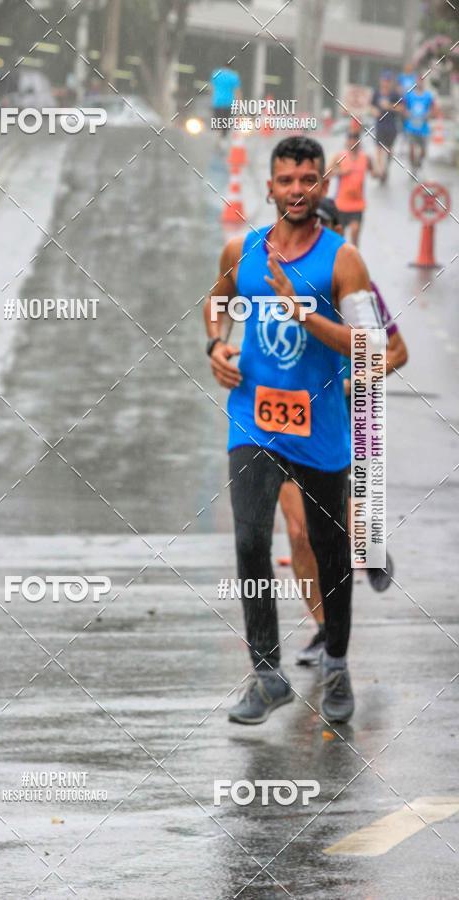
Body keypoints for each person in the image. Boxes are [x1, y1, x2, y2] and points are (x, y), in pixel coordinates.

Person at [204, 136, 382, 725]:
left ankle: (335, 663)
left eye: (308, 180)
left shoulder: (342, 261)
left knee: (330, 552)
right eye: (287, 181)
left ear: (322, 186)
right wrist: (216, 344)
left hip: (319, 428)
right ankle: (266, 674)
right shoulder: (242, 250)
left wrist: (303, 309)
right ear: (270, 187)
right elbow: (217, 300)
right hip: (252, 420)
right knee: (251, 540)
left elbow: (369, 347)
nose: (297, 191)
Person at [278, 198, 409, 666]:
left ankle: (366, 547)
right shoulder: (275, 284)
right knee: (297, 535)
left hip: (337, 424)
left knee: (335, 522)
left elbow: (396, 351)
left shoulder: (360, 288)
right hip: (284, 423)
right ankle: (322, 629)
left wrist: (358, 379)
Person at [328, 129, 374, 247]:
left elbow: (375, 173)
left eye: (355, 140)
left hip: (357, 204)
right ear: (347, 142)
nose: (353, 143)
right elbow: (327, 173)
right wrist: (341, 171)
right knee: (340, 239)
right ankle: (340, 262)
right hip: (341, 205)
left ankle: (354, 261)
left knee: (355, 233)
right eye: (350, 140)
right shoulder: (339, 157)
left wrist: (379, 167)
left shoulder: (365, 158)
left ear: (359, 142)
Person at [370, 71, 403, 183]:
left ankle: (386, 166)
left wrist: (388, 106)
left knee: (389, 150)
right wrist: (373, 111)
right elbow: (371, 106)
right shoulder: (376, 93)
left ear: (391, 82)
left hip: (392, 126)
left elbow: (401, 108)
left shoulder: (394, 94)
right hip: (380, 125)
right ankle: (380, 171)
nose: (385, 83)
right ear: (381, 81)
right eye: (384, 80)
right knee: (378, 148)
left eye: (388, 81)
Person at [403, 75, 436, 171]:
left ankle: (419, 161)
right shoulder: (410, 95)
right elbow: (404, 108)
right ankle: (413, 166)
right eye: (418, 81)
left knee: (423, 151)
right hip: (411, 126)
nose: (419, 83)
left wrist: (430, 114)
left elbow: (434, 108)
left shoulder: (428, 96)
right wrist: (406, 113)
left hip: (423, 127)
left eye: (421, 81)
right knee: (412, 148)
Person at [210, 61, 242, 139]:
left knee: (217, 121)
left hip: (217, 102)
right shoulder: (234, 76)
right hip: (228, 103)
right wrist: (239, 105)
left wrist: (211, 99)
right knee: (226, 122)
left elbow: (212, 88)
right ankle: (223, 138)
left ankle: (218, 136)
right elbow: (237, 91)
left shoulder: (216, 74)